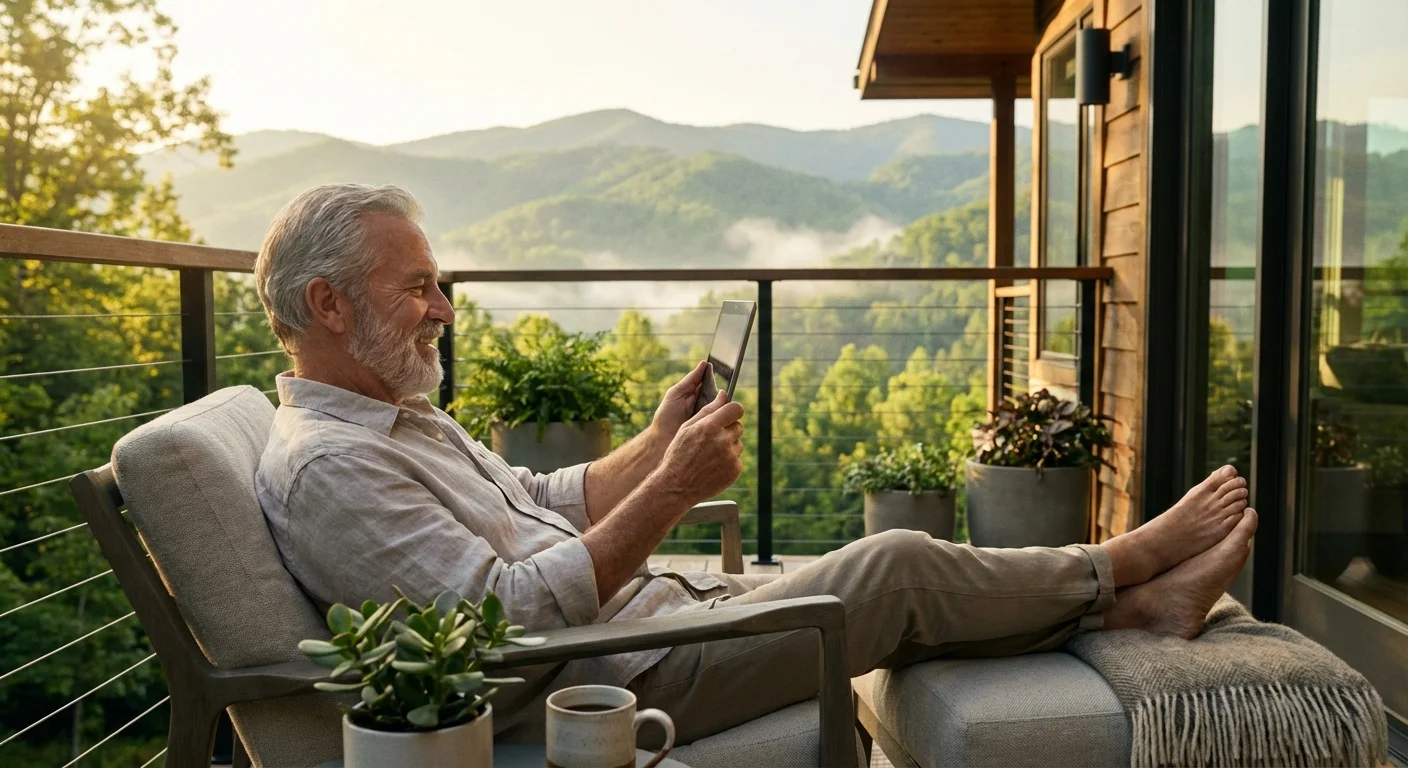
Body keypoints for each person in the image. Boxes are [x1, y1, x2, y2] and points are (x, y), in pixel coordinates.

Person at [254, 183, 1258, 743]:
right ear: (327, 307)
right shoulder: (331, 467)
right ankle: (1122, 564)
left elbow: (540, 497)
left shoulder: (397, 417)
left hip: (650, 623)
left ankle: (1128, 608)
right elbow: (508, 622)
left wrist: (653, 443)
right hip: (611, 677)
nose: (443, 311)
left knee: (889, 583)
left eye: (441, 285)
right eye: (418, 286)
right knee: (891, 563)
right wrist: (676, 489)